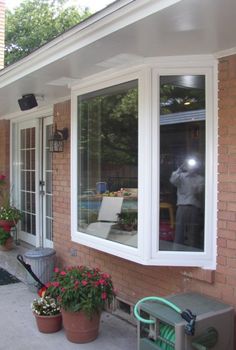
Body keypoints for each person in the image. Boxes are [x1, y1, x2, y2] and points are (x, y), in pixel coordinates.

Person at [170, 157, 204, 249]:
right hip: (181, 206)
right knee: (179, 230)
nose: (191, 167)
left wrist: (195, 188)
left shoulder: (200, 179)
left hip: (194, 207)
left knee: (193, 231)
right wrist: (180, 168)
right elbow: (172, 180)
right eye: (189, 165)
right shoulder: (181, 176)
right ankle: (176, 250)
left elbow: (199, 193)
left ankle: (193, 250)